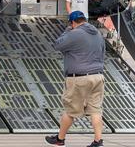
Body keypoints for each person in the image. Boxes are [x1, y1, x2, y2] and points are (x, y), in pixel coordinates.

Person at [45, 11, 105, 147]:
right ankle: (98, 141)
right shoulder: (98, 34)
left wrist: (67, 31)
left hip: (79, 78)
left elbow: (57, 45)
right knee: (95, 110)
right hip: (98, 76)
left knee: (70, 110)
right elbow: (103, 53)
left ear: (72, 23)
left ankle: (60, 140)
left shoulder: (74, 33)